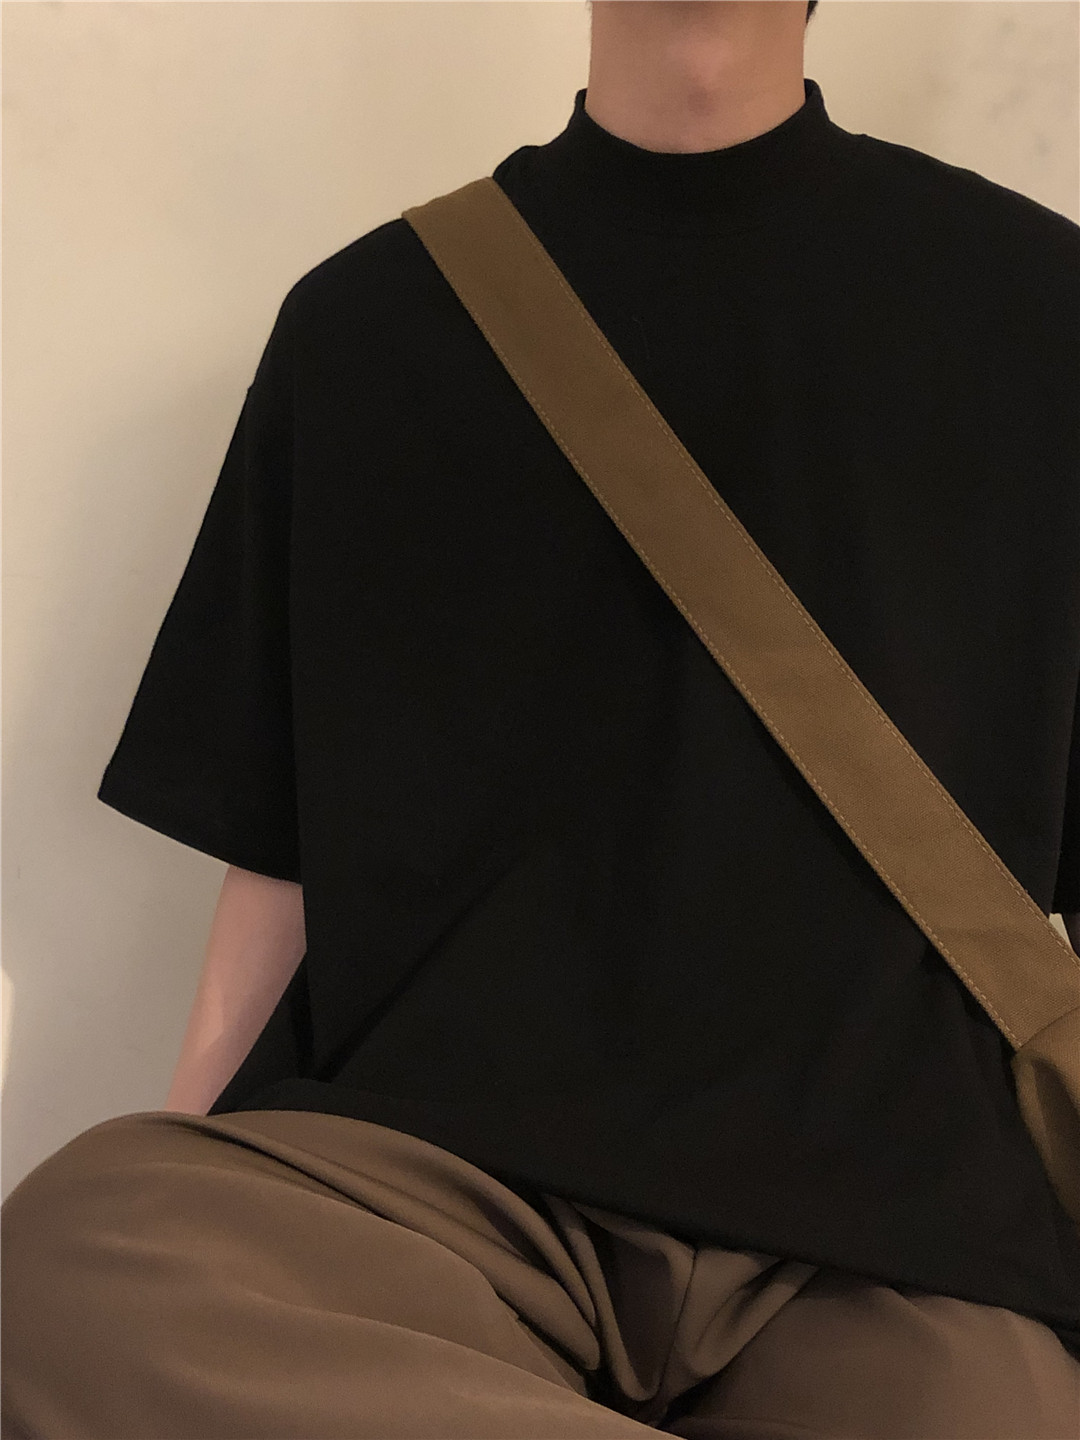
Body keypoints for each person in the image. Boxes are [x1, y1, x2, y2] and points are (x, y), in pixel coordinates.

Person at [4, 2, 1080, 1435]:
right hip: (439, 1193)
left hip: (899, 1238)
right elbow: (279, 854)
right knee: (66, 1262)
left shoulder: (1045, 313)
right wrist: (189, 1164)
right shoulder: (364, 328)